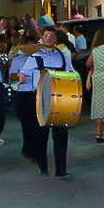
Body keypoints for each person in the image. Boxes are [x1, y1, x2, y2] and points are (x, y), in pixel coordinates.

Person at [17, 26, 77, 177]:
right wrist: (22, 77)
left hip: (60, 100)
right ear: (42, 39)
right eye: (46, 36)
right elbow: (23, 72)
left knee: (61, 136)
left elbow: (71, 73)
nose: (49, 39)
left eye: (51, 36)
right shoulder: (34, 57)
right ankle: (42, 165)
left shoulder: (63, 56)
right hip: (41, 101)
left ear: (56, 39)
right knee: (40, 136)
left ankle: (61, 170)